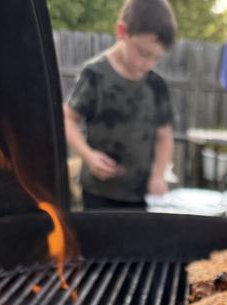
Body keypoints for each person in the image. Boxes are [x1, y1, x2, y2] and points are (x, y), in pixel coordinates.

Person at [64, 0, 176, 210]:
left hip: (141, 195)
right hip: (98, 191)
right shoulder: (95, 75)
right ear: (122, 31)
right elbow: (68, 118)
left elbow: (165, 137)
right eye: (144, 53)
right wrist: (87, 155)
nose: (148, 64)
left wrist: (159, 176)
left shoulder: (156, 85)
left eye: (157, 58)